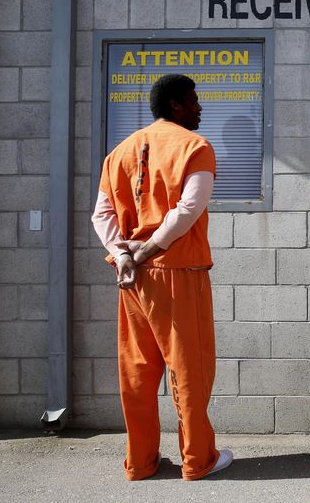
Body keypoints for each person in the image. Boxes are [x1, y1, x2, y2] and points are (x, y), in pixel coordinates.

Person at [91, 74, 232, 481]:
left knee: (137, 371)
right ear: (175, 104)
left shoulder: (119, 152)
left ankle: (140, 462)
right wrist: (148, 250)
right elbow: (188, 210)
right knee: (189, 369)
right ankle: (198, 460)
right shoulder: (195, 147)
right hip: (177, 271)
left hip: (131, 278)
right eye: (193, 100)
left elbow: (101, 214)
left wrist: (123, 254)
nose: (200, 107)